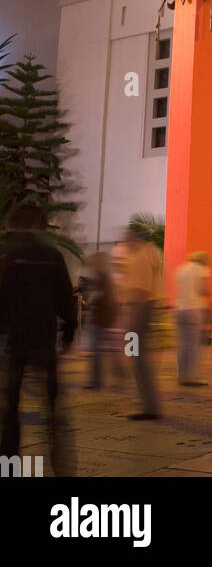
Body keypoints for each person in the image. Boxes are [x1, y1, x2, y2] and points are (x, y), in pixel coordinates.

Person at [0, 201, 77, 474]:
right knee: (53, 405)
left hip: (17, 342)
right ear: (37, 226)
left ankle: (9, 467)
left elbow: (3, 299)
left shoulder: (10, 256)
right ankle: (61, 465)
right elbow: (65, 298)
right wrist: (69, 331)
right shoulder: (52, 255)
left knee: (11, 409)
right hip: (44, 340)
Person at [115, 225, 163, 420]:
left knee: (138, 358)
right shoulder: (144, 254)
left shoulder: (142, 256)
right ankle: (147, 404)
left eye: (128, 237)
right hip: (139, 310)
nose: (126, 241)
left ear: (136, 237)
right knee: (136, 357)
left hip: (139, 311)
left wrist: (131, 320)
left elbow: (141, 291)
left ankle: (149, 407)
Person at [80, 250, 120, 391]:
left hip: (101, 318)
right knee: (109, 350)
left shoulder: (102, 276)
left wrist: (91, 301)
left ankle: (97, 381)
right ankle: (117, 379)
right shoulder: (106, 276)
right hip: (105, 317)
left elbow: (103, 295)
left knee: (99, 350)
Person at [174, 251, 211, 387]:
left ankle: (181, 375)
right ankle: (193, 376)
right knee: (194, 345)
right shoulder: (202, 269)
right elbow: (204, 290)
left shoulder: (181, 269)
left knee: (183, 344)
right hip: (194, 309)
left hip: (179, 309)